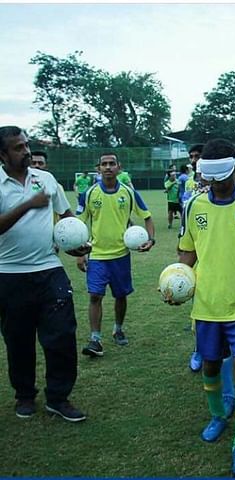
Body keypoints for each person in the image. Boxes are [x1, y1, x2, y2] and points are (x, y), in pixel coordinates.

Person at [173, 139, 235, 477]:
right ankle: (218, 415)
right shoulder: (193, 206)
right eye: (209, 177)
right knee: (211, 368)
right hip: (206, 306)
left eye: (221, 176)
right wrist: (176, 280)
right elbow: (187, 253)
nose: (215, 184)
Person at [0, 126, 89, 422]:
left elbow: (67, 217)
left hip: (50, 270)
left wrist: (76, 244)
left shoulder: (46, 180)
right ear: (2, 154)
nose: (25, 152)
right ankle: (25, 395)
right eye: (17, 148)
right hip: (9, 275)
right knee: (18, 340)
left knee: (62, 336)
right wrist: (29, 204)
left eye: (26, 145)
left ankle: (58, 397)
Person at [77, 152, 155, 357]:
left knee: (120, 295)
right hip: (97, 255)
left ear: (119, 167)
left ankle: (118, 328)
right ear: (98, 168)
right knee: (95, 295)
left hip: (121, 255)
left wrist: (151, 239)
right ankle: (95, 339)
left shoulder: (128, 193)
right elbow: (79, 224)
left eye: (112, 164)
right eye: (104, 164)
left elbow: (147, 217)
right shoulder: (90, 193)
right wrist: (79, 253)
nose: (108, 167)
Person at [186, 144, 205, 372]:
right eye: (191, 157)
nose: (193, 160)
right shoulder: (189, 182)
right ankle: (199, 349)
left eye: (197, 156)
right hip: (192, 242)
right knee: (198, 307)